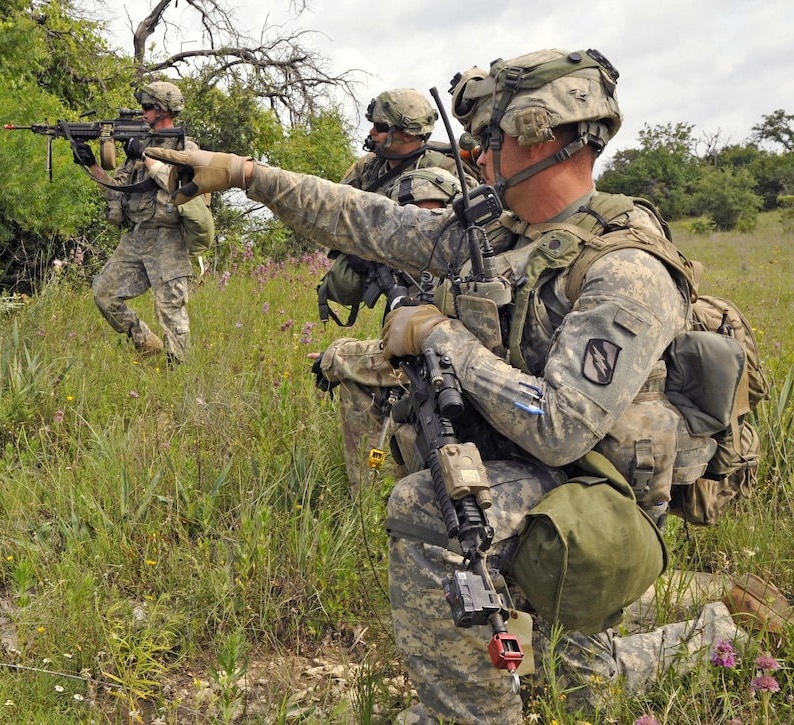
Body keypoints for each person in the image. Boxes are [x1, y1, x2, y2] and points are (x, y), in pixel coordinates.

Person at [145, 49, 783, 724]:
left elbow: (561, 424)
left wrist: (436, 334)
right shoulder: (505, 229)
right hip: (539, 474)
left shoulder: (627, 271)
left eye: (490, 139)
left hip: (603, 501)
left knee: (425, 506)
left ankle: (473, 713)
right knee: (584, 689)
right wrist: (245, 175)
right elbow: (368, 221)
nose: (476, 156)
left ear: (543, 135)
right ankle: (720, 629)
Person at [314, 88, 475, 493]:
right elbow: (336, 219)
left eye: (383, 128)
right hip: (393, 283)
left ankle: (401, 484)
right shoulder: (367, 171)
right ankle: (381, 485)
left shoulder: (449, 168)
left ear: (409, 134)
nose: (373, 133)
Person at [72, 80, 213, 364]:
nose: (143, 112)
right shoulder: (139, 147)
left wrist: (146, 157)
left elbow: (181, 188)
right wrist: (92, 166)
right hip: (137, 236)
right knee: (104, 293)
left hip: (169, 238)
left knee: (170, 309)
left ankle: (180, 369)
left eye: (147, 107)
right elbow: (119, 190)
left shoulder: (187, 148)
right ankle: (146, 343)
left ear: (163, 110)